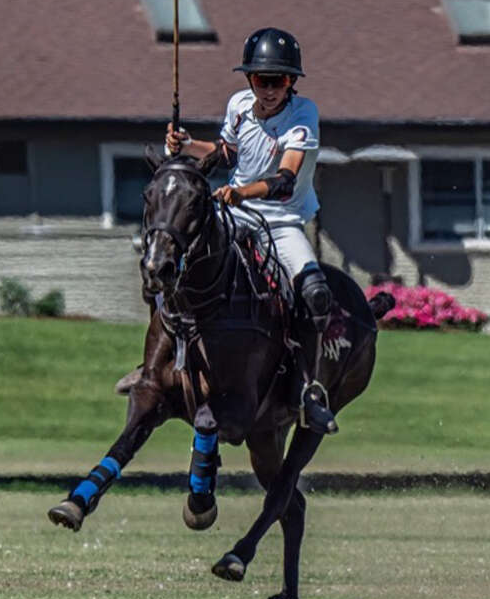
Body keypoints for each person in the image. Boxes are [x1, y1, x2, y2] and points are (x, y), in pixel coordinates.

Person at [117, 27, 333, 424]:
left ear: (291, 83)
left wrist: (242, 193)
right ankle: (152, 366)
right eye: (259, 80)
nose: (268, 89)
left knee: (316, 293)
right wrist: (185, 145)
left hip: (282, 221)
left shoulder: (304, 115)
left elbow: (285, 179)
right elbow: (227, 153)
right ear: (248, 79)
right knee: (167, 260)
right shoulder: (238, 106)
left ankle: (308, 387)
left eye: (278, 81)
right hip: (234, 213)